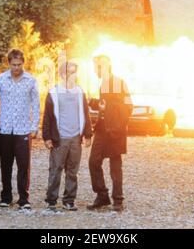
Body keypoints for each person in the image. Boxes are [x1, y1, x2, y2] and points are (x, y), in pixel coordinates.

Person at [0, 49, 40, 210]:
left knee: (23, 164)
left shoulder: (30, 81)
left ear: (23, 63)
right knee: (5, 164)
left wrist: (34, 125)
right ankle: (6, 196)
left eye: (19, 64)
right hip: (5, 129)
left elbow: (36, 105)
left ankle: (24, 198)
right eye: (13, 65)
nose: (16, 68)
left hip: (23, 129)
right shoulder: (0, 80)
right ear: (9, 63)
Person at [42, 62, 92, 211]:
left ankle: (69, 200)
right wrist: (47, 137)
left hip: (76, 138)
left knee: (72, 171)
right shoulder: (54, 93)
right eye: (71, 72)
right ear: (63, 74)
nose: (74, 75)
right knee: (56, 169)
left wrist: (88, 134)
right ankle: (51, 200)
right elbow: (47, 117)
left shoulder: (80, 92)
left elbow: (86, 114)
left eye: (75, 72)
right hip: (60, 138)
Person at [87, 55, 133, 212]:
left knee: (115, 166)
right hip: (101, 130)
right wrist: (94, 102)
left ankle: (118, 200)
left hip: (116, 131)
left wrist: (118, 126)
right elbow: (104, 106)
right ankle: (102, 196)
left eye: (97, 67)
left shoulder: (119, 83)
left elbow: (128, 106)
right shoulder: (103, 84)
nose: (95, 71)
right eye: (95, 67)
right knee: (93, 162)